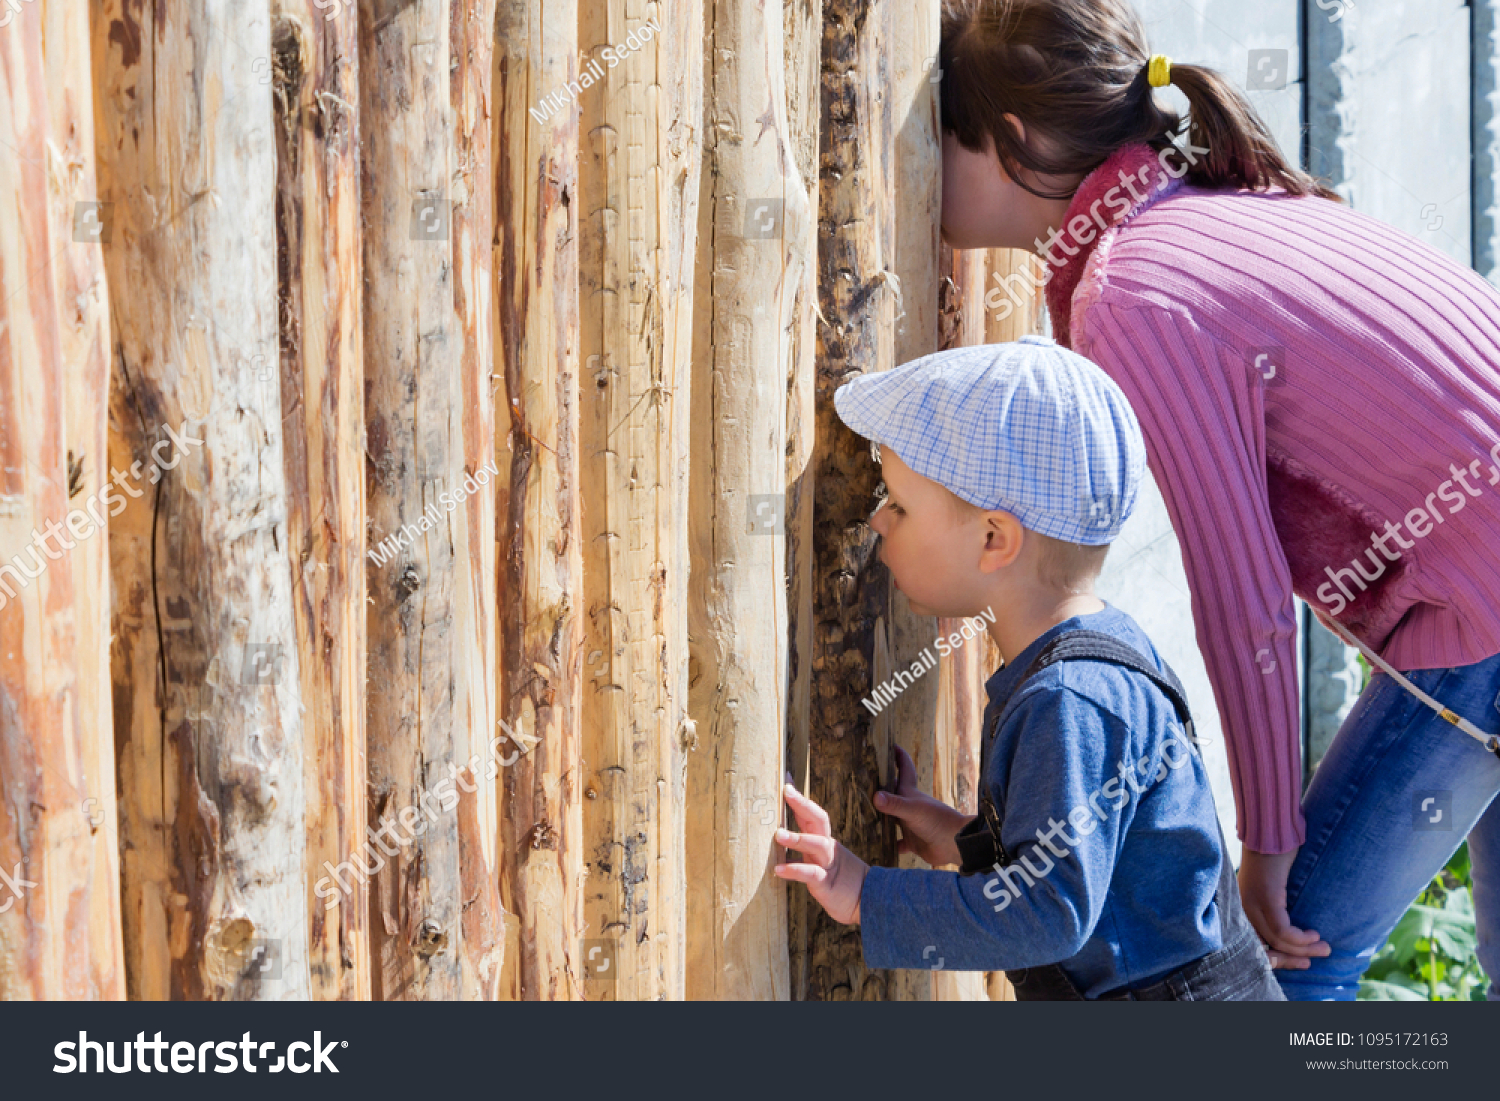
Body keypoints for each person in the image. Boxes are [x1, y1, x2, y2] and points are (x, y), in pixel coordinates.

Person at [934, 0, 1500, 999]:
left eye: (947, 133)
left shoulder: (1135, 292)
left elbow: (1247, 604)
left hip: (1481, 602)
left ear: (1014, 141)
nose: (929, 165)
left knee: (1294, 957)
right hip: (1478, 578)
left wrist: (1269, 837)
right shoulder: (1216, 211)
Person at [773, 339, 1284, 1000]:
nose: (876, 519)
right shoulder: (1102, 653)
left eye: (898, 503)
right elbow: (1106, 865)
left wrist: (864, 892)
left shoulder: (1068, 699)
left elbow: (1050, 913)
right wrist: (969, 843)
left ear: (994, 539)